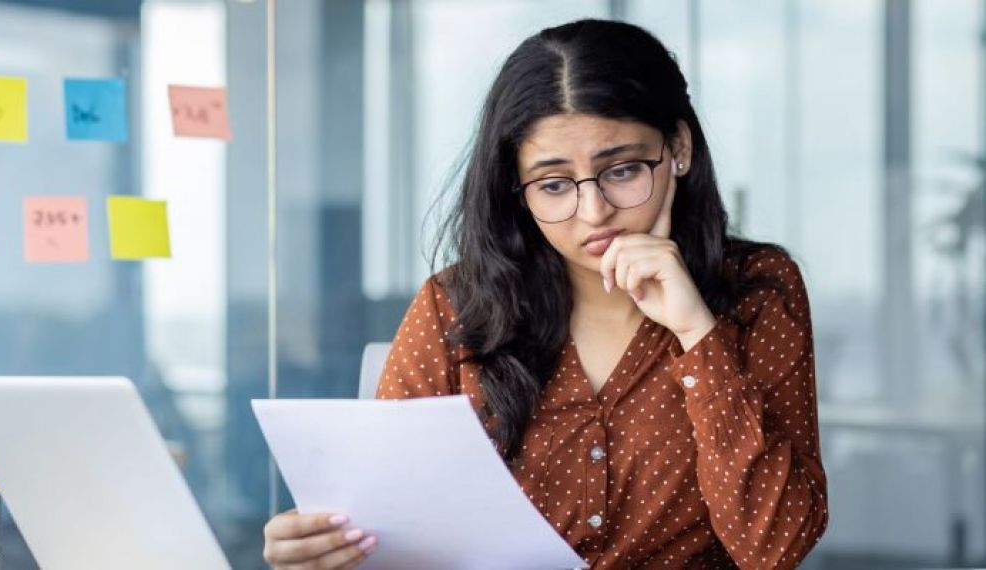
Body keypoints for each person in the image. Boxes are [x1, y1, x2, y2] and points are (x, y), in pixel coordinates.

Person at [263, 18, 828, 569]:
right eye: (554, 185)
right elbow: (390, 525)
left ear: (677, 147)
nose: (594, 211)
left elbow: (774, 550)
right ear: (517, 189)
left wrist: (694, 332)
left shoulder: (758, 290)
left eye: (624, 170)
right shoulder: (454, 305)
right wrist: (327, 551)